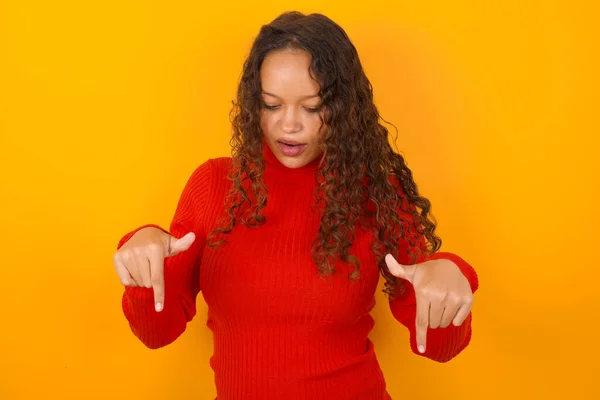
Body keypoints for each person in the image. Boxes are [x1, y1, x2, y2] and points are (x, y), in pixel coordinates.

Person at [112, 11, 479, 400]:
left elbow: (440, 349)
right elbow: (157, 334)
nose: (289, 124)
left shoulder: (373, 192)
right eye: (272, 105)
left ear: (342, 108)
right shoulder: (214, 185)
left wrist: (449, 277)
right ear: (255, 104)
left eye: (312, 107)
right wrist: (143, 262)